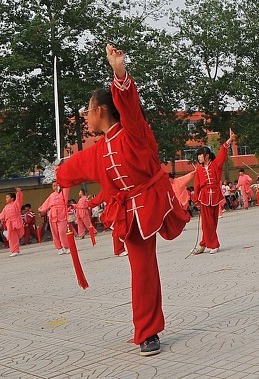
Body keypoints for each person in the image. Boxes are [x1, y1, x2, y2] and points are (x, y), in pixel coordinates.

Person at [54, 44, 191, 356]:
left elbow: (129, 106)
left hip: (148, 206)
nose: (85, 117)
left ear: (100, 111)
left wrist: (119, 72)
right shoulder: (100, 150)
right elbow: (74, 168)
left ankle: (147, 332)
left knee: (143, 269)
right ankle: (147, 329)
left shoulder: (133, 132)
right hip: (127, 216)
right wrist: (58, 176)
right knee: (140, 268)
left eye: (87, 111)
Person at [191, 132, 236, 255]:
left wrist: (229, 141)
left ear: (207, 156)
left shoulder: (216, 165)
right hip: (204, 197)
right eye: (198, 155)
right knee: (206, 223)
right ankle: (213, 244)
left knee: (213, 222)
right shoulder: (199, 169)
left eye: (200, 155)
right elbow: (196, 185)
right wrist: (196, 200)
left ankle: (203, 244)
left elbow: (222, 153)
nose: (199, 157)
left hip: (215, 195)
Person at [41, 184, 71, 256]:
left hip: (62, 213)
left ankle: (66, 246)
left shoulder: (64, 193)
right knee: (55, 232)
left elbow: (67, 186)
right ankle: (59, 248)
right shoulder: (51, 195)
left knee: (62, 231)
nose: (55, 187)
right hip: (53, 214)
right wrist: (41, 210)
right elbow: (46, 204)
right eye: (53, 186)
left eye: (56, 185)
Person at [0, 189, 26, 256]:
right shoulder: (6, 207)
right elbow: (3, 215)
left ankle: (15, 249)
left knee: (16, 236)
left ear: (12, 198)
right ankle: (14, 250)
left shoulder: (16, 204)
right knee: (12, 237)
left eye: (7, 197)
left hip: (16, 221)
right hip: (9, 223)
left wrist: (19, 192)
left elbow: (19, 199)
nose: (6, 199)